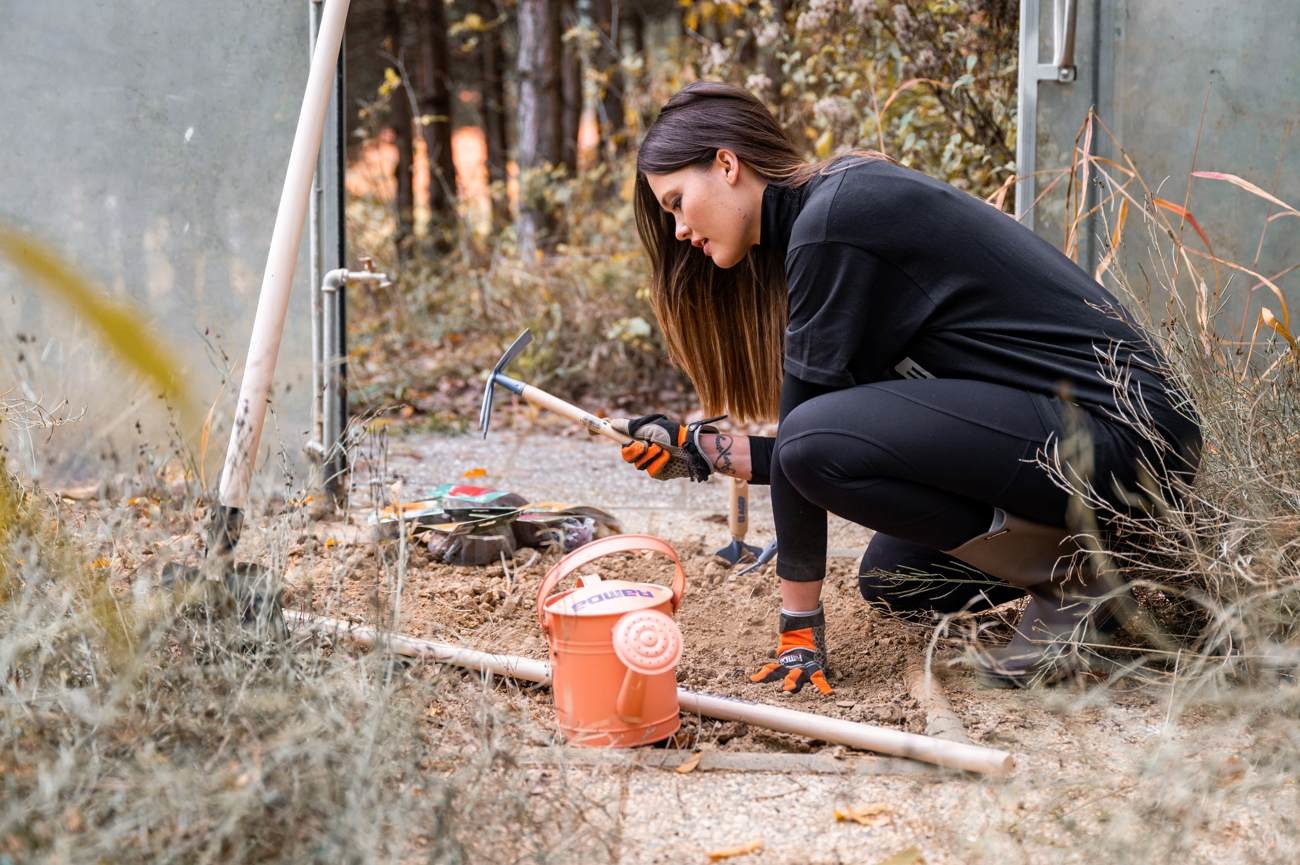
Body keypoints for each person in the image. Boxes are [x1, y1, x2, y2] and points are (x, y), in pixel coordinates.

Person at [613, 81, 1202, 690]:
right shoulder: (826, 220)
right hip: (1076, 440)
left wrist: (799, 629)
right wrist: (703, 452)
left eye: (678, 201)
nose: (680, 228)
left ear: (728, 164)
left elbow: (806, 442)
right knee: (896, 580)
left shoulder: (832, 223)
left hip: (1127, 432)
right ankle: (1109, 555)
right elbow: (822, 446)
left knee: (813, 441)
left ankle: (1074, 581)